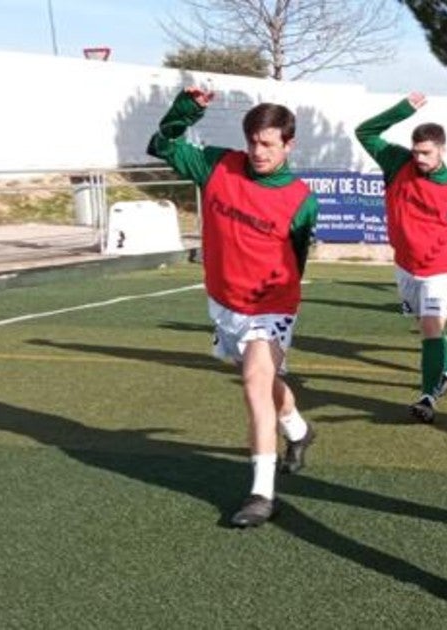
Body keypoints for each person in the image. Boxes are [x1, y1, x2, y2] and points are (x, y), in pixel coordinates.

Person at [147, 86, 318, 528]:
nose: (258, 152)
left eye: (268, 144)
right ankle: (299, 429)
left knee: (254, 383)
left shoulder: (301, 199)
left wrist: (277, 294)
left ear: (288, 145)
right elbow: (162, 144)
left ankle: (262, 493)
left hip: (273, 304)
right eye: (253, 142)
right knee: (265, 383)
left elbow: (295, 258)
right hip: (226, 304)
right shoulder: (218, 165)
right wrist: (187, 109)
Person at [355, 92, 447, 423]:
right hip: (405, 266)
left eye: (426, 152)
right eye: (416, 151)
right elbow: (364, 132)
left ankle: (427, 396)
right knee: (424, 325)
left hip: (439, 269)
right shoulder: (398, 163)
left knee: (431, 327)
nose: (420, 158)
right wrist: (403, 109)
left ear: (442, 150)